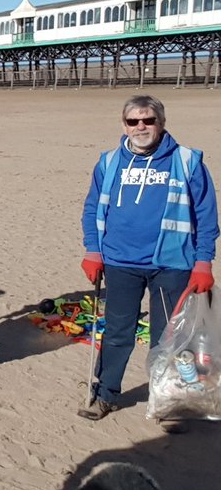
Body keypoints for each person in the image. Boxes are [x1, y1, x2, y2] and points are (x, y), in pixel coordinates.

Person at [78, 94, 218, 422]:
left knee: (169, 337)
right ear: (124, 125)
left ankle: (168, 401)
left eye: (148, 120)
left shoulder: (187, 161)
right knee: (116, 332)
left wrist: (203, 262)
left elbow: (206, 215)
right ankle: (106, 394)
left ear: (161, 123)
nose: (141, 126)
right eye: (133, 121)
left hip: (173, 264)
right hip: (119, 262)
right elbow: (92, 207)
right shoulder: (109, 162)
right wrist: (92, 250)